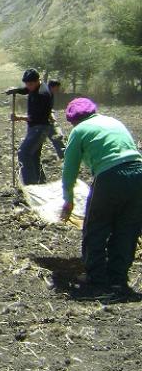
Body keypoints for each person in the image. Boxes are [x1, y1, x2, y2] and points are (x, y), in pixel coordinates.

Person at [61, 98, 142, 295]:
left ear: (73, 120)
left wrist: (68, 200)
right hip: (139, 173)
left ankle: (96, 278)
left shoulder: (79, 130)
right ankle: (118, 280)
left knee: (96, 227)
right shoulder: (114, 122)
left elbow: (69, 169)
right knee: (127, 229)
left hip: (110, 176)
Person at [6, 68, 54, 185]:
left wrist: (18, 118)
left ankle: (30, 185)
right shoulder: (36, 87)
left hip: (40, 127)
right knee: (33, 156)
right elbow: (26, 90)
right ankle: (41, 183)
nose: (28, 86)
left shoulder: (43, 94)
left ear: (38, 80)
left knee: (24, 152)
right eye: (26, 84)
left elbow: (35, 117)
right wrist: (16, 90)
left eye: (31, 84)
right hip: (35, 127)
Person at [47, 80, 66, 159]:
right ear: (52, 87)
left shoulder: (51, 95)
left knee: (57, 138)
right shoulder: (46, 95)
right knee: (56, 137)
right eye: (57, 88)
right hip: (42, 122)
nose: (58, 90)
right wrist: (51, 117)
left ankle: (63, 155)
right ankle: (63, 155)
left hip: (47, 120)